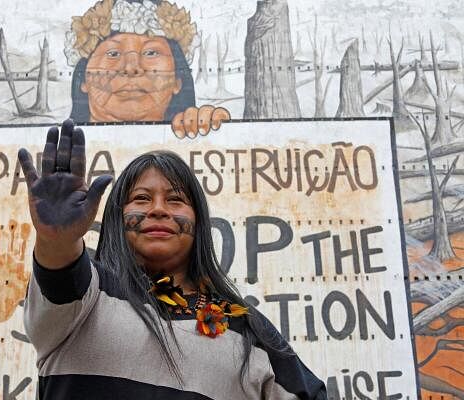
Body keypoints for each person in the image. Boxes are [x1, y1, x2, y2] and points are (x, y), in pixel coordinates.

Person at [20, 120, 327, 399]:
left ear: (199, 223)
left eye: (176, 200)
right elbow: (60, 271)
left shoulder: (246, 328)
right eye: (141, 198)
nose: (158, 209)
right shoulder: (87, 297)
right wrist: (55, 238)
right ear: (115, 218)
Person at [65, 0, 231, 139]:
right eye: (113, 53)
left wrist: (216, 132)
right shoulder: (57, 149)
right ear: (83, 80)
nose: (131, 68)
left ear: (177, 81)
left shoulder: (199, 136)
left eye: (151, 52)